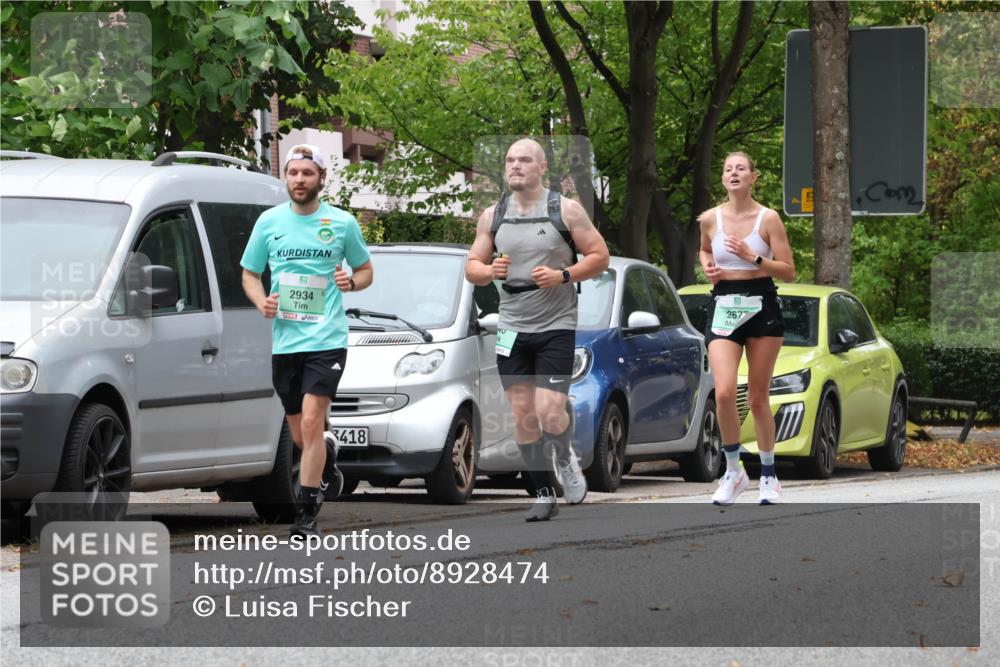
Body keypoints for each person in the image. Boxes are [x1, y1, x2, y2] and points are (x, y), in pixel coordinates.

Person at [466, 138, 610, 521]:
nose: (515, 166)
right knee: (524, 416)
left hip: (555, 324)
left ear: (542, 168)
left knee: (548, 412)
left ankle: (565, 457)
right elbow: (472, 267)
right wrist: (488, 271)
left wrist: (564, 274)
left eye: (524, 160)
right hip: (512, 327)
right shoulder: (492, 215)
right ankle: (544, 492)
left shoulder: (565, 210)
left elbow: (600, 257)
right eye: (510, 159)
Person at [241, 144, 374, 536]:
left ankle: (307, 511)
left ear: (321, 179)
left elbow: (366, 270)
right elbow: (250, 273)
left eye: (306, 173)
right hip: (286, 342)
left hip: (327, 339)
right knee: (301, 434)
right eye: (293, 173)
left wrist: (351, 282)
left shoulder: (343, 223)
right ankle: (327, 452)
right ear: (286, 178)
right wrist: (261, 300)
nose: (299, 180)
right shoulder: (269, 222)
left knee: (313, 421)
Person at [698, 151, 796, 505]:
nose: (734, 173)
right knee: (724, 392)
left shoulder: (768, 219)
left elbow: (788, 270)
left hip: (761, 305)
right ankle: (733, 470)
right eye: (728, 169)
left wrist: (752, 257)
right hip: (724, 303)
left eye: (741, 168)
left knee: (757, 398)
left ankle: (769, 475)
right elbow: (704, 250)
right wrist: (709, 266)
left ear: (753, 177)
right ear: (723, 179)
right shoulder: (710, 219)